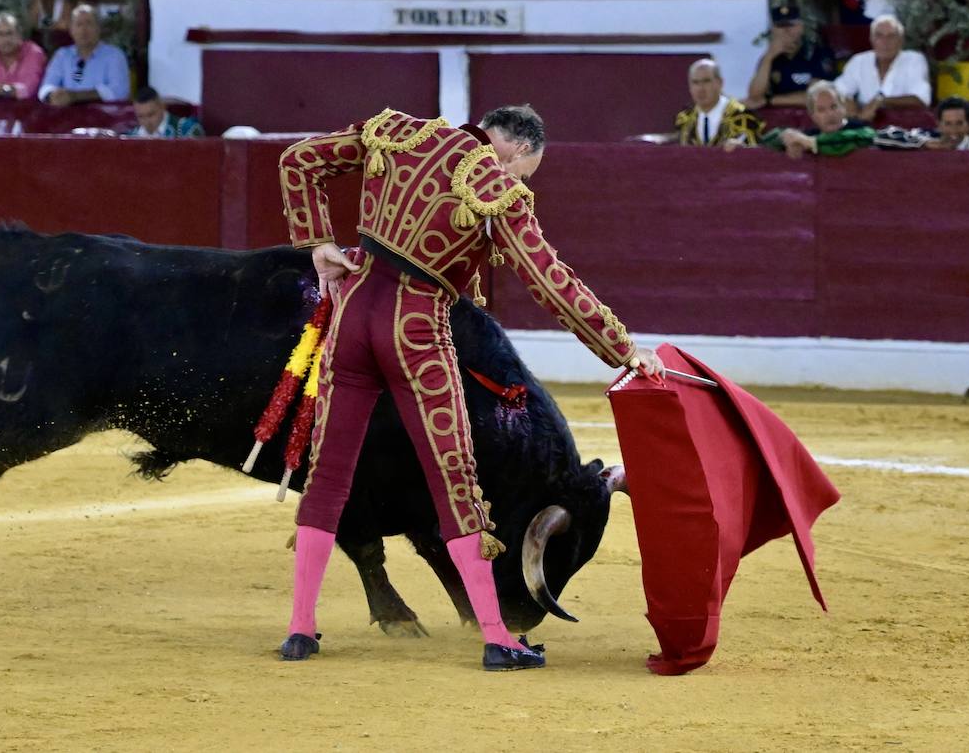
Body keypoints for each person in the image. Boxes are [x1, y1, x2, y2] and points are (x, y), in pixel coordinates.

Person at [274, 104, 663, 670]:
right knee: (454, 483)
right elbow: (551, 283)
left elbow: (299, 159)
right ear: (518, 150)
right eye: (525, 172)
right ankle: (497, 637)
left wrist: (317, 242)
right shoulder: (491, 183)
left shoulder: (400, 132)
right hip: (415, 331)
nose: (519, 182)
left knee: (329, 474)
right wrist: (623, 351)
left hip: (354, 313)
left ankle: (300, 630)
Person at [834, 14, 932, 122]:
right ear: (871, 39)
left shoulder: (914, 60)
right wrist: (846, 100)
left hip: (905, 127)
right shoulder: (859, 61)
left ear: (901, 40)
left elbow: (922, 100)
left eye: (891, 36)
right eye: (879, 36)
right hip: (866, 126)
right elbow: (837, 90)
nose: (885, 42)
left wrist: (881, 101)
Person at [745, 1, 838, 111]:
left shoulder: (818, 53)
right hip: (778, 119)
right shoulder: (770, 58)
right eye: (780, 26)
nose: (786, 31)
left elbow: (818, 96)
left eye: (791, 25)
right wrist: (768, 57)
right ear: (773, 30)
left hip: (811, 117)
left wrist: (770, 100)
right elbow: (754, 97)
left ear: (801, 27)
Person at [38, 4, 130, 104]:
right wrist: (53, 95)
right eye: (78, 24)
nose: (83, 30)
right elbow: (45, 88)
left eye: (89, 23)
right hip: (67, 115)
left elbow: (119, 92)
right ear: (71, 30)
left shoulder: (114, 56)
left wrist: (77, 96)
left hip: (101, 116)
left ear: (99, 28)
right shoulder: (62, 55)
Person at [766, 81, 877, 159]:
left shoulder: (861, 129)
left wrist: (810, 142)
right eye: (821, 110)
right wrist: (786, 136)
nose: (830, 114)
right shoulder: (810, 134)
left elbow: (845, 141)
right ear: (813, 116)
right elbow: (767, 140)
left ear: (843, 108)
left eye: (834, 107)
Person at [674, 59, 762, 149]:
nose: (701, 89)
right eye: (695, 82)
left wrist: (742, 149)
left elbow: (755, 156)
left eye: (706, 81)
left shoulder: (742, 116)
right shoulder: (684, 119)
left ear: (720, 83)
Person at [125, 86, 203, 137]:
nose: (146, 121)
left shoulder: (187, 130)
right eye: (141, 116)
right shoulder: (131, 136)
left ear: (162, 107)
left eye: (151, 115)